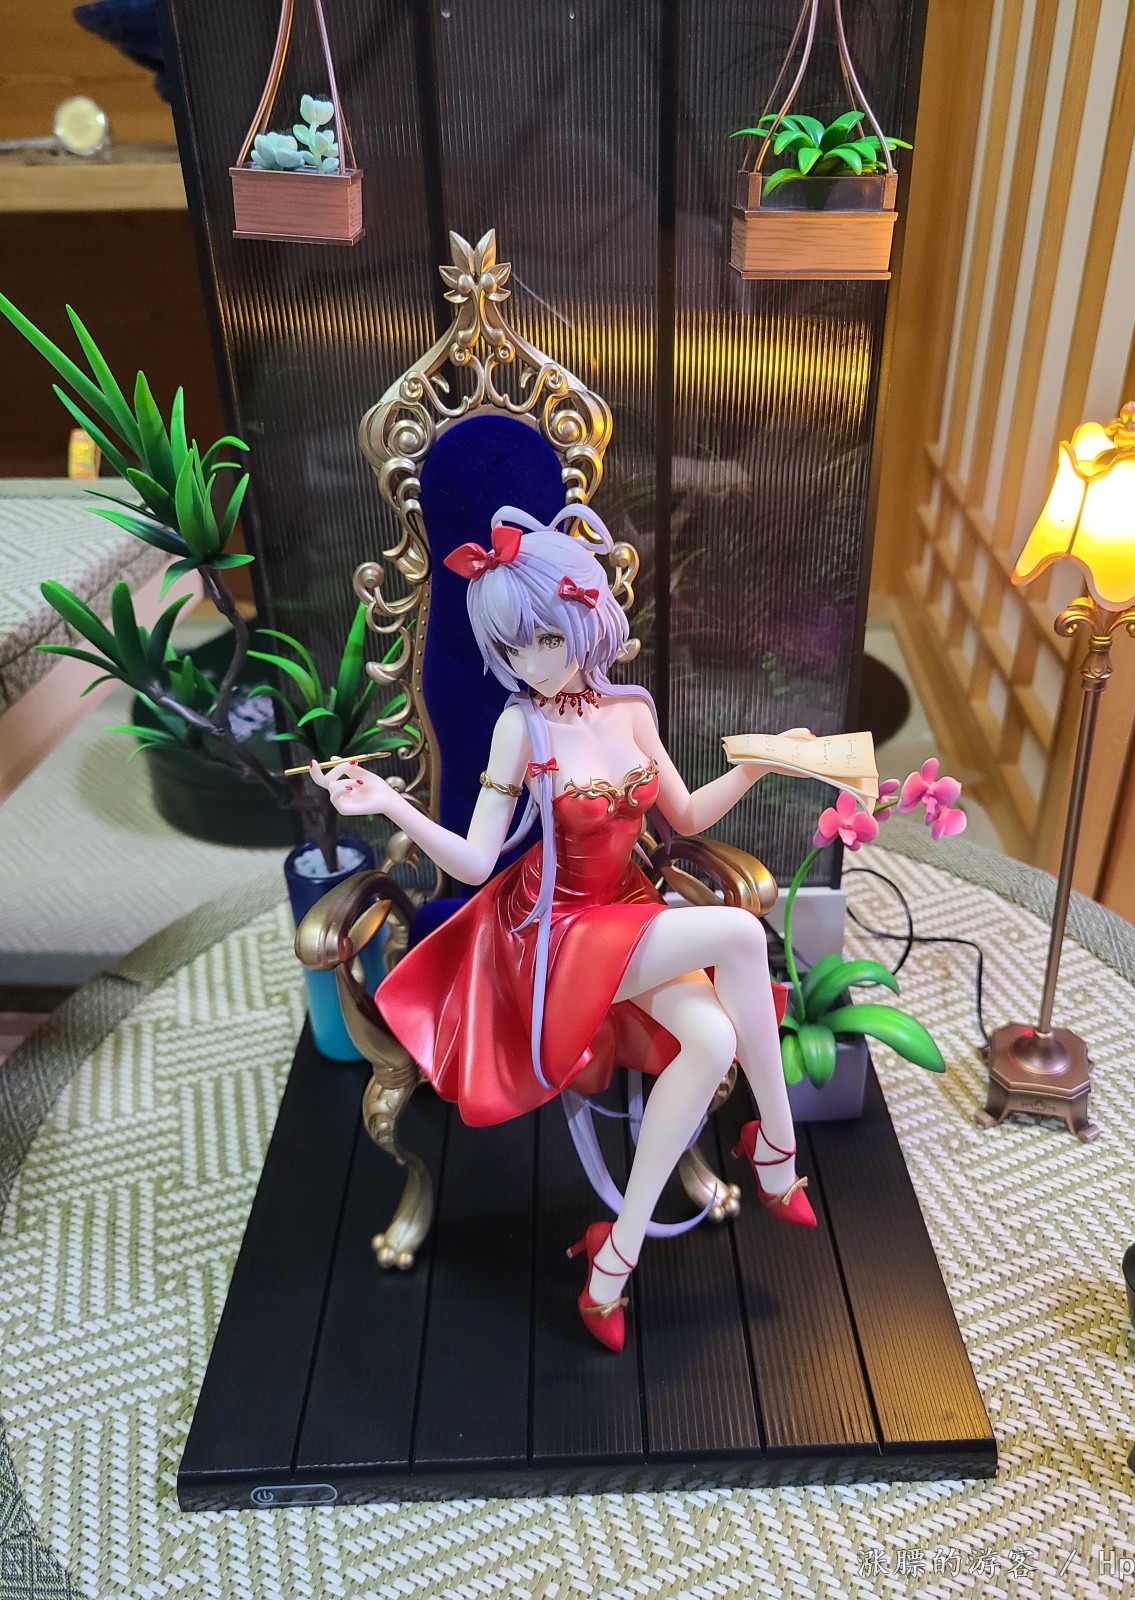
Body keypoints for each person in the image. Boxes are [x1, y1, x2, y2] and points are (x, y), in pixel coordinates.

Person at [311, 504, 817, 1353]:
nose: (531, 664)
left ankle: (612, 1261)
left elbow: (686, 814)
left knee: (710, 1041)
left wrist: (759, 764)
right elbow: (476, 861)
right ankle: (777, 1149)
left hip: (629, 908)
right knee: (736, 934)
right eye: (513, 649)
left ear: (585, 621)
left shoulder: (630, 709)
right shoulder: (522, 725)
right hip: (558, 934)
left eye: (545, 639)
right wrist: (390, 802)